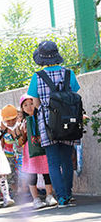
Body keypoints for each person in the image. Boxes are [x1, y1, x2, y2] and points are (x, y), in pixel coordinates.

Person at [28, 41, 81, 207]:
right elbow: (73, 95)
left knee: (53, 161)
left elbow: (35, 103)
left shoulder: (37, 77)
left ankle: (62, 198)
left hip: (48, 123)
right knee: (66, 159)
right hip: (69, 121)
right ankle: (68, 193)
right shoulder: (69, 73)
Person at [18, 94, 57, 209]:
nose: (29, 107)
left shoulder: (41, 116)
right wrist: (22, 132)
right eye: (25, 105)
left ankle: (49, 195)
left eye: (31, 103)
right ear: (22, 108)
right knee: (32, 174)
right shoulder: (23, 122)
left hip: (43, 147)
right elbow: (21, 141)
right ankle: (36, 198)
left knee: (46, 172)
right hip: (30, 151)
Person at [0, 104, 23, 198]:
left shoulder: (19, 126)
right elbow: (2, 142)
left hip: (20, 155)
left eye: (13, 119)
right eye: (8, 120)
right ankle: (14, 191)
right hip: (8, 155)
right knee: (11, 175)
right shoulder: (3, 130)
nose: (11, 122)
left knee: (21, 173)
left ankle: (23, 191)